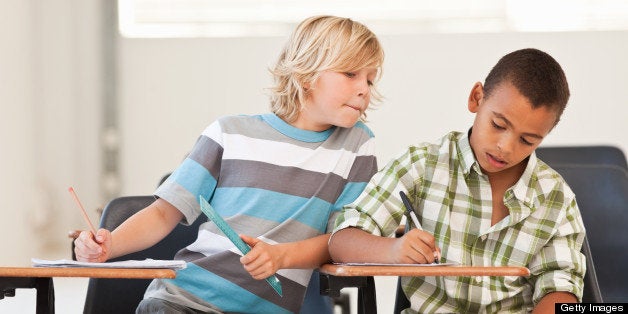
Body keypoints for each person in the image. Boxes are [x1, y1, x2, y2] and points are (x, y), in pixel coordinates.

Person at [74, 15, 384, 314]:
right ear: (305, 75)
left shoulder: (357, 147)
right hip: (182, 302)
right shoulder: (229, 133)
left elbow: (342, 240)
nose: (364, 89)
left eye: (370, 79)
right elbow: (162, 213)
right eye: (350, 74)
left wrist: (281, 256)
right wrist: (108, 245)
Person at [329, 48, 586, 313]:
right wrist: (392, 250)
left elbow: (560, 288)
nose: (505, 147)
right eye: (498, 125)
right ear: (477, 98)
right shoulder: (422, 164)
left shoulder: (556, 196)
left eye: (527, 140)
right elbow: (341, 242)